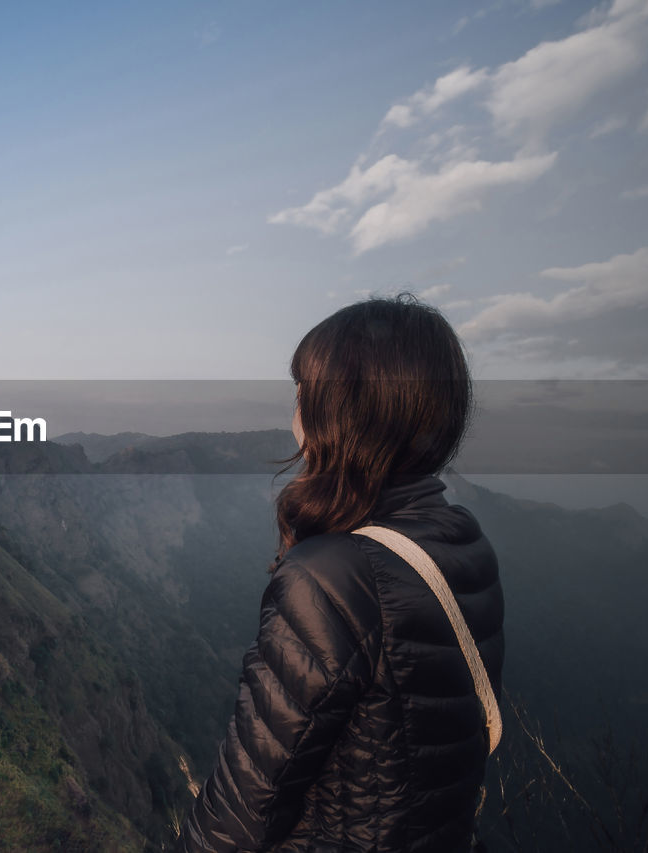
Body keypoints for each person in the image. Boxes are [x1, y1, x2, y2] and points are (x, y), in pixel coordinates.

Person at [178, 294, 505, 852]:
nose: (294, 411)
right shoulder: (462, 542)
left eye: (303, 393)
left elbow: (242, 814)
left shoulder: (331, 577)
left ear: (339, 412)